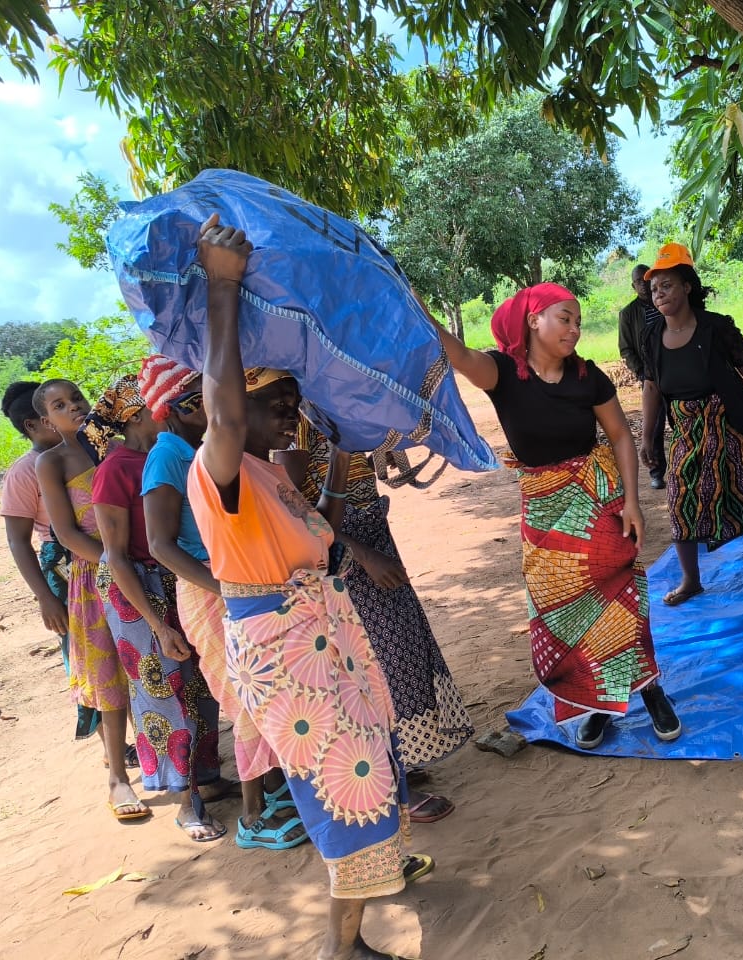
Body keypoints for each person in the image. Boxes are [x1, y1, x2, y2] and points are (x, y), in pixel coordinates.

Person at [186, 214, 423, 960]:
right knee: (339, 784)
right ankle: (340, 946)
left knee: (367, 759)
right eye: (270, 399)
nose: (287, 408)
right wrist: (221, 289)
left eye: (291, 397)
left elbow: (316, 530)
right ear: (233, 410)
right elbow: (222, 410)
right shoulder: (215, 469)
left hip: (320, 638)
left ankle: (370, 892)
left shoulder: (266, 471)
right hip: (290, 652)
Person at [434, 281, 681, 751]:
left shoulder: (589, 377)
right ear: (534, 320)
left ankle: (651, 691)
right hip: (544, 509)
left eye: (578, 322)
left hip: (598, 500)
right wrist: (414, 306)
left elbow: (621, 438)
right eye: (565, 318)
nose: (574, 329)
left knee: (621, 598)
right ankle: (599, 705)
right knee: (564, 614)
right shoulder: (502, 372)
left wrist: (632, 501)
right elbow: (459, 355)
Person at [139, 354, 308, 851]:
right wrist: (227, 589)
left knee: (267, 694)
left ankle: (276, 793)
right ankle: (253, 817)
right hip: (212, 589)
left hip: (234, 581)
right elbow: (159, 544)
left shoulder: (203, 451)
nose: (206, 410)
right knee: (247, 700)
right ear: (170, 409)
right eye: (194, 402)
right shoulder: (168, 455)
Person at [279, 420, 474, 823]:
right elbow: (293, 512)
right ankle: (391, 780)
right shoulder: (297, 422)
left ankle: (401, 758)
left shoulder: (330, 408)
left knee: (401, 653)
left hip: (371, 534)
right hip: (343, 557)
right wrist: (363, 554)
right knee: (373, 665)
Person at [84, 372, 230, 841]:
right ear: (145, 412)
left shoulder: (164, 456)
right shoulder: (116, 468)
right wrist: (156, 624)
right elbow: (116, 554)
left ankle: (205, 779)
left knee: (202, 684)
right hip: (136, 588)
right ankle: (186, 804)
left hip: (174, 578)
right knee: (164, 691)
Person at [638, 243, 743, 606]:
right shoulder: (650, 337)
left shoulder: (716, 327)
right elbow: (650, 386)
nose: (659, 293)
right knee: (681, 497)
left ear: (687, 287)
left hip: (732, 419)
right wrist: (648, 438)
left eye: (668, 285)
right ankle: (691, 580)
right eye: (655, 288)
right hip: (686, 426)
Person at [34, 378, 139, 820]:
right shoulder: (51, 462)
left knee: (153, 668)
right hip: (97, 575)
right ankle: (118, 777)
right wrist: (115, 564)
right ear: (47, 421)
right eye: (60, 405)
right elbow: (66, 533)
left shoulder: (115, 445)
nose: (73, 406)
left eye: (76, 397)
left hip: (145, 566)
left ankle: (171, 764)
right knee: (112, 674)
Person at [0, 381, 103, 741]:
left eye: (74, 400)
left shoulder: (92, 450)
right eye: (54, 409)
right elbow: (18, 540)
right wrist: (45, 597)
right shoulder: (26, 471)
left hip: (100, 555)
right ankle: (109, 742)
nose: (71, 409)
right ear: (35, 423)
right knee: (83, 650)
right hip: (64, 565)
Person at [619, 263, 667, 488]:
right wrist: (641, 372)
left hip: (676, 369)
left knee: (681, 420)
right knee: (655, 426)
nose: (645, 285)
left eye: (647, 280)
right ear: (633, 286)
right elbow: (626, 348)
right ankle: (657, 472)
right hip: (650, 376)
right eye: (639, 281)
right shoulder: (628, 314)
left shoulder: (665, 302)